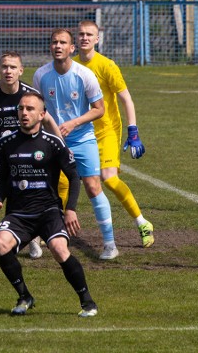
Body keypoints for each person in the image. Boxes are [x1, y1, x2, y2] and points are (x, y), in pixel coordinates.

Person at [0, 91, 98, 317]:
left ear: (42, 114)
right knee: (0, 243)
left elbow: (73, 176)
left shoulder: (53, 143)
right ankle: (24, 296)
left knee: (59, 249)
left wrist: (70, 209)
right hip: (19, 214)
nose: (24, 113)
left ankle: (87, 302)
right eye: (21, 109)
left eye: (29, 109)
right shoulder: (6, 142)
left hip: (49, 211)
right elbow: (3, 177)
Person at [33, 29, 117, 260]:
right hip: (51, 140)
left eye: (63, 43)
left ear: (72, 48)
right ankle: (34, 237)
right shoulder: (41, 75)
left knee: (92, 186)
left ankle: (110, 243)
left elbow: (100, 109)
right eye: (54, 42)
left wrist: (73, 123)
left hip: (82, 139)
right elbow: (36, 108)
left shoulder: (85, 75)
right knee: (41, 187)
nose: (58, 46)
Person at [74, 20, 154, 247]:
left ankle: (142, 223)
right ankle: (49, 230)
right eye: (81, 34)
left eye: (89, 34)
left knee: (109, 178)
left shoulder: (107, 66)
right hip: (79, 133)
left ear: (97, 39)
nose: (85, 38)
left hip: (107, 130)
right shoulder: (71, 66)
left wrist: (133, 130)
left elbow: (126, 98)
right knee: (62, 180)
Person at [0, 52, 52, 266]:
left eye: (13, 67)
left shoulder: (31, 95)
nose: (8, 71)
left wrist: (60, 149)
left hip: (25, 157)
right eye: (4, 67)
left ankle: (32, 235)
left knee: (28, 196)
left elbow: (48, 121)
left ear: (21, 71)